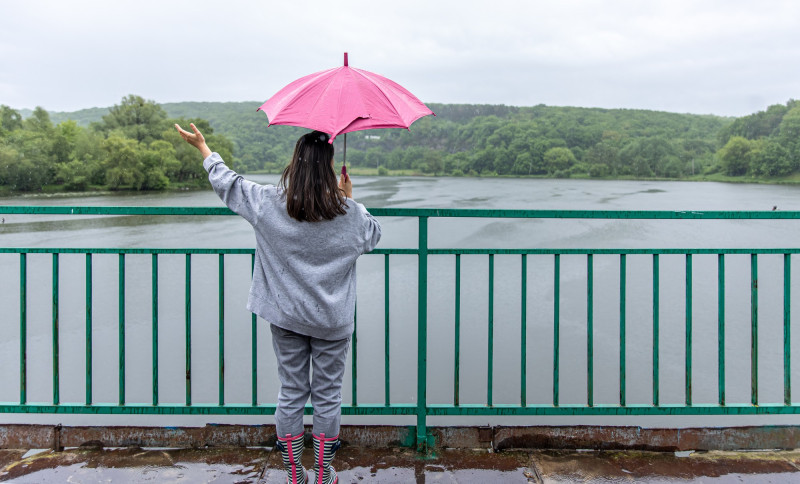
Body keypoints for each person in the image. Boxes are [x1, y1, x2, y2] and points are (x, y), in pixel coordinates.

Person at [176, 123, 381, 484]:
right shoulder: (349, 215)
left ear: (295, 165)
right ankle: (322, 474)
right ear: (331, 168)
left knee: (291, 393)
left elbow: (228, 183)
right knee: (328, 396)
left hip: (286, 318)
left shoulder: (268, 202)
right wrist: (348, 199)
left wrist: (204, 148)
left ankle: (294, 475)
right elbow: (373, 236)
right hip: (332, 322)